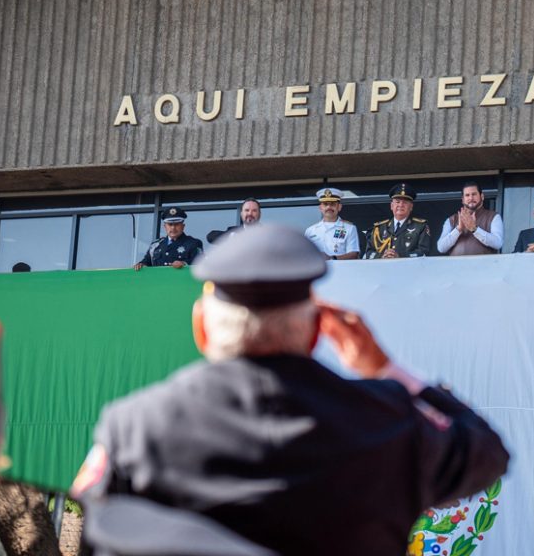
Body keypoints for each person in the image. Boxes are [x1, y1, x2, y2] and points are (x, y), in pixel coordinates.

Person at [70, 224, 509, 555]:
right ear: (318, 330)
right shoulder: (386, 419)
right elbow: (487, 454)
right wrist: (388, 369)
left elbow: (76, 539)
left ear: (202, 327)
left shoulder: (135, 425)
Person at [363, 183, 432, 259]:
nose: (401, 205)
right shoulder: (379, 228)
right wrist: (382, 257)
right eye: (397, 202)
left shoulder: (420, 226)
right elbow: (369, 253)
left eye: (405, 202)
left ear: (411, 207)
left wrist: (400, 256)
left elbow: (424, 252)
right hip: (383, 269)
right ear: (391, 206)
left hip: (409, 269)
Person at [436, 183, 503, 255]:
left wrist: (475, 229)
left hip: (484, 266)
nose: (471, 198)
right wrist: (458, 229)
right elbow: (441, 248)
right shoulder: (452, 220)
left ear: (482, 196)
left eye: (474, 194)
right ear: (463, 199)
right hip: (456, 266)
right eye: (467, 195)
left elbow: (498, 243)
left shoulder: (493, 217)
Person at [134, 207, 203, 270]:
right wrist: (141, 264)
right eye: (170, 224)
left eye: (176, 224)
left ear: (183, 226)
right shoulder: (155, 245)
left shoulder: (193, 243)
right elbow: (146, 262)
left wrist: (184, 264)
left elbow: (201, 264)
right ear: (165, 227)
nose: (173, 228)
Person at [304, 188, 360, 260]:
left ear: (339, 207)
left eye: (333, 204)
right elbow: (304, 254)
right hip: (317, 270)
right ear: (320, 208)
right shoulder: (310, 231)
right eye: (325, 204)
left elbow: (353, 254)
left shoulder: (349, 228)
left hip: (342, 270)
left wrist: (332, 258)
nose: (329, 207)